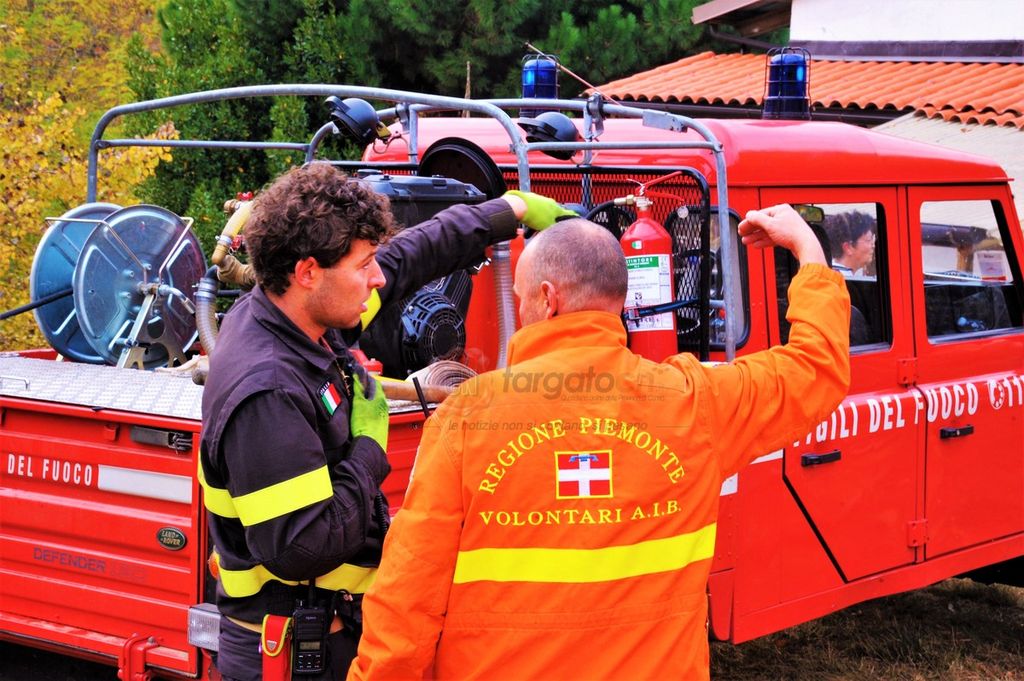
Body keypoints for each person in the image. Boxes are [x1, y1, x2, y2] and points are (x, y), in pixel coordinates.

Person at [349, 204, 851, 681]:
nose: (520, 309)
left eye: (521, 297)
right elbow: (815, 369)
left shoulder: (467, 416)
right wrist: (807, 248)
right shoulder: (695, 402)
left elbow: (409, 594)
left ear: (548, 298)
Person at [198, 162, 571, 681]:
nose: (376, 278)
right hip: (295, 655)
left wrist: (508, 211)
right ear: (308, 272)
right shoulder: (268, 389)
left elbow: (408, 256)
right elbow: (304, 547)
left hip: (327, 633)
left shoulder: (300, 317)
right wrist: (370, 448)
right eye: (364, 265)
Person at [824, 210, 877, 276]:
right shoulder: (843, 278)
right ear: (848, 248)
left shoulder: (828, 272)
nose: (873, 246)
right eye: (868, 240)